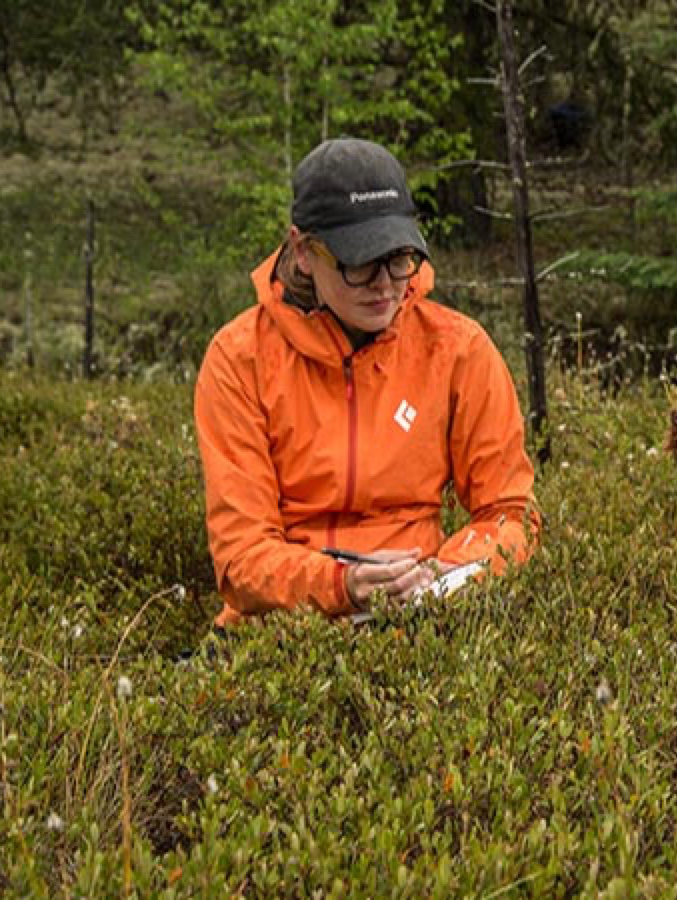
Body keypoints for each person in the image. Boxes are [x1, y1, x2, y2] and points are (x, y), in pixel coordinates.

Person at [195, 137, 540, 628]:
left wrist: (454, 572)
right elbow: (240, 557)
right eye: (360, 262)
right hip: (280, 631)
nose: (386, 284)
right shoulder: (239, 359)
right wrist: (342, 585)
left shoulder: (457, 348)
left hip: (424, 619)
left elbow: (510, 514)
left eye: (399, 257)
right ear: (303, 251)